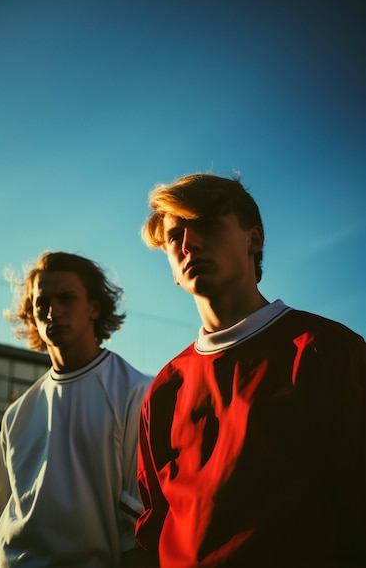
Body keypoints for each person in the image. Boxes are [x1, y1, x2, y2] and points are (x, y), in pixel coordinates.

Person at [135, 173, 366, 568]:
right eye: (175, 236)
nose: (189, 243)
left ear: (254, 239)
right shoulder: (164, 389)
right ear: (171, 268)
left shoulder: (327, 350)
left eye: (207, 224)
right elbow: (155, 528)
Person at [0, 251, 152, 568]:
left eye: (67, 298)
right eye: (42, 302)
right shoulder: (16, 413)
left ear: (94, 307)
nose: (52, 311)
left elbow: (140, 534)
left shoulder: (137, 393)